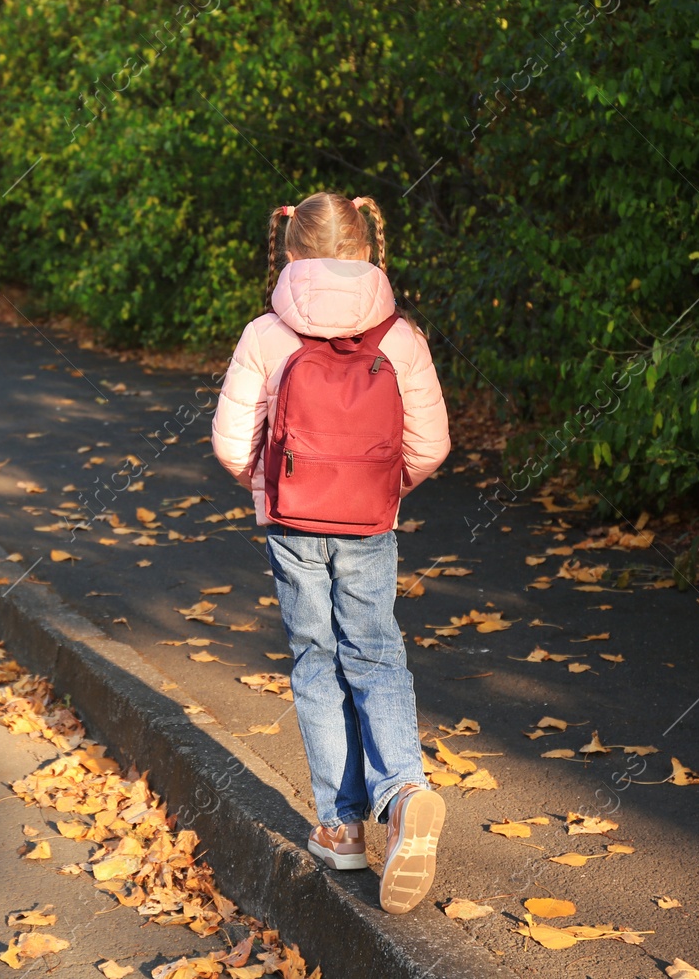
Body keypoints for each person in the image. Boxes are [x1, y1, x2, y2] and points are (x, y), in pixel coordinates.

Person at [211, 191, 450, 914]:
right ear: (368, 248)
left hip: (293, 519)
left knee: (317, 660)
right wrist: (383, 486)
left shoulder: (265, 334)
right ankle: (405, 791)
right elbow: (431, 445)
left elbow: (230, 443)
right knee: (376, 650)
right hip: (369, 523)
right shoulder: (399, 335)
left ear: (289, 248)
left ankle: (342, 826)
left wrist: (270, 482)